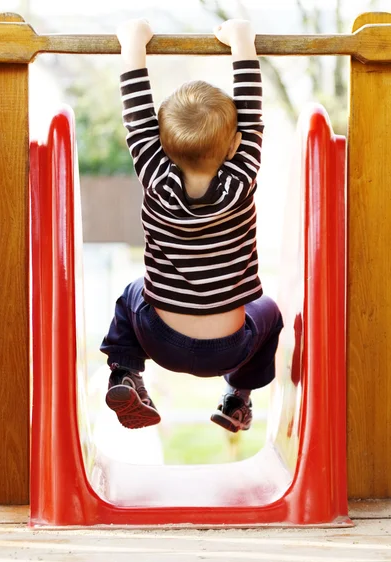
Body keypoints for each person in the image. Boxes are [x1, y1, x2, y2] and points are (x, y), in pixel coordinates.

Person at [100, 18, 283, 433]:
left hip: (158, 339)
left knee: (131, 293)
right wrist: (241, 40)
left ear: (160, 147)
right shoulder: (242, 181)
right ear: (236, 144)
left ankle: (126, 371)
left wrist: (133, 43)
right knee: (269, 311)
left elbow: (137, 116)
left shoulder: (155, 177)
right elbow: (252, 115)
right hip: (231, 348)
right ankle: (238, 398)